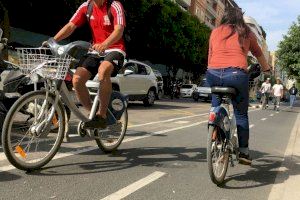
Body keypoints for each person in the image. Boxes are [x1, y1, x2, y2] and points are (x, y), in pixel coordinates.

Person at [206, 7, 270, 165]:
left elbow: (210, 56)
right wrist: (267, 70)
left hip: (213, 74)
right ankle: (243, 152)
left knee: (215, 107)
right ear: (240, 18)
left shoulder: (215, 32)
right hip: (236, 76)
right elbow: (258, 53)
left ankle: (216, 138)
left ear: (224, 17)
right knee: (241, 115)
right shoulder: (246, 31)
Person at [52, 0, 126, 129]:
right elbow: (70, 26)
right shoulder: (87, 6)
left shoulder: (114, 5)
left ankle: (102, 116)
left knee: (103, 71)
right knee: (77, 80)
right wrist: (53, 40)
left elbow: (119, 30)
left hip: (115, 49)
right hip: (95, 50)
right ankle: (94, 114)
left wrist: (105, 44)